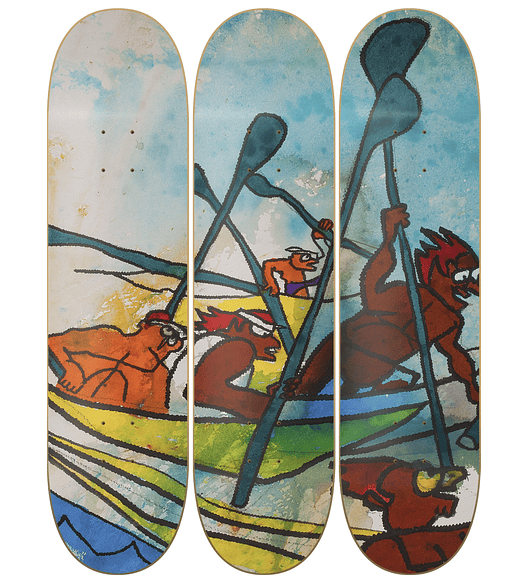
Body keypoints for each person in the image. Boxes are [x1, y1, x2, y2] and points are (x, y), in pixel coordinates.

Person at [290, 204, 479, 406]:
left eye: (476, 276)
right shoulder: (409, 294)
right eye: (464, 276)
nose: (473, 284)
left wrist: (472, 386)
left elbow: (455, 355)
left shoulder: (450, 321)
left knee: (403, 381)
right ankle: (296, 393)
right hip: (342, 348)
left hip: (371, 371)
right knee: (302, 389)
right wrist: (389, 237)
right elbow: (371, 288)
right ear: (443, 271)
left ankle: (348, 397)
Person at [49, 310, 186, 414]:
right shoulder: (108, 338)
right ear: (145, 326)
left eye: (176, 341)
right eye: (167, 332)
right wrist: (72, 369)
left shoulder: (159, 375)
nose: (168, 345)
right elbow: (52, 343)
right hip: (62, 410)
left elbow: (154, 419)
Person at [193, 307, 284, 420]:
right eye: (264, 333)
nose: (275, 342)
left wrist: (269, 398)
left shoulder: (214, 343)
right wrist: (269, 405)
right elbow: (202, 393)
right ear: (241, 327)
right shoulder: (238, 348)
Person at [262, 218, 333, 297]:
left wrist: (326, 230)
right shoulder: (286, 264)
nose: (314, 261)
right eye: (306, 257)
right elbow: (268, 264)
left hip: (310, 286)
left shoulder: (320, 255)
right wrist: (272, 284)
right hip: (294, 288)